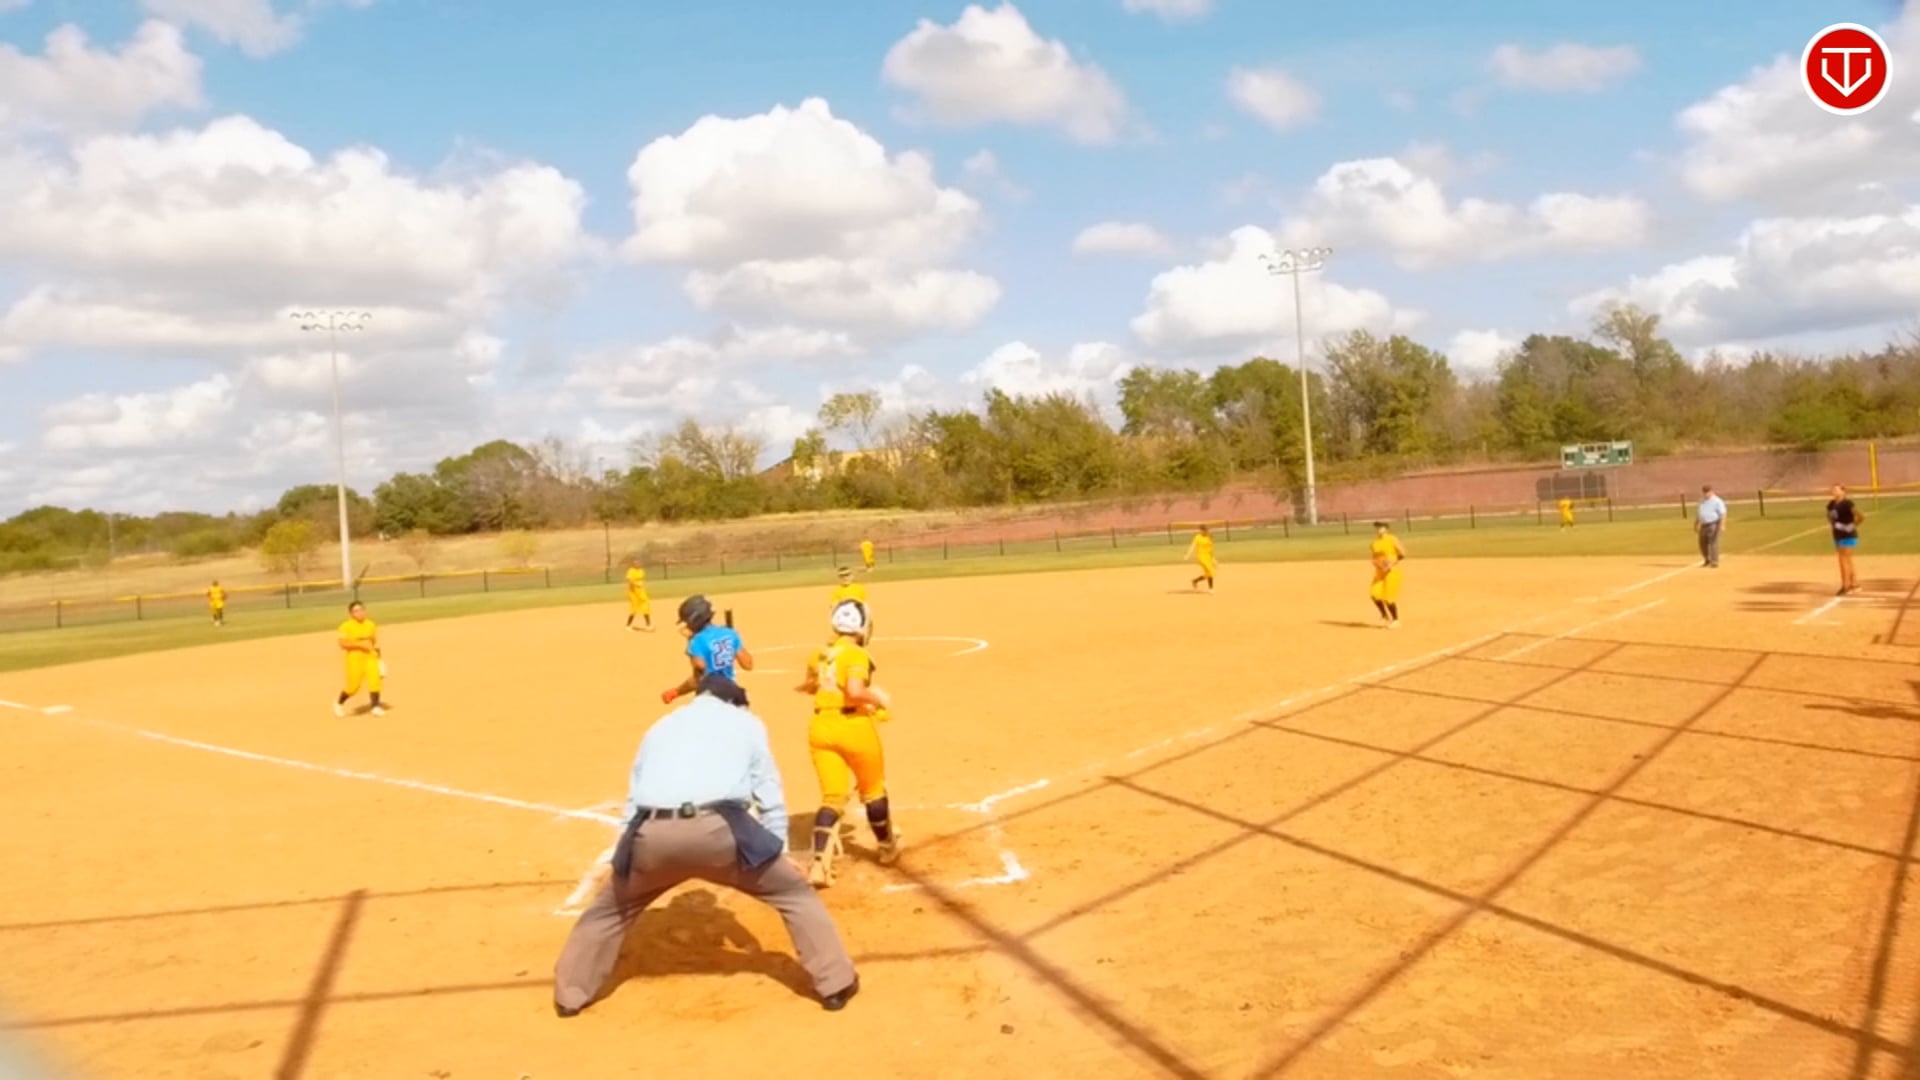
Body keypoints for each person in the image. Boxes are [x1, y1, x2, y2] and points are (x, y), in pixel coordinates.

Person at [552, 673, 860, 1016]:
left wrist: (624, 859)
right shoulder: (747, 723)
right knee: (794, 893)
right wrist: (779, 852)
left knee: (608, 910)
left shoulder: (659, 727)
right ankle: (836, 984)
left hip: (653, 836)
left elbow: (634, 801)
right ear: (735, 703)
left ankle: (570, 996)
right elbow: (768, 793)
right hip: (721, 832)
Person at [795, 599, 898, 888]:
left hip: (820, 728)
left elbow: (809, 686)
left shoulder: (821, 654)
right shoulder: (856, 654)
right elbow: (855, 690)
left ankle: (819, 864)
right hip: (853, 727)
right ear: (862, 626)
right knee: (873, 790)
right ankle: (887, 847)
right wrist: (878, 700)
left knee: (832, 798)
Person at [662, 595, 753, 706]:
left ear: (695, 620)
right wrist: (733, 642)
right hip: (732, 694)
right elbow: (748, 665)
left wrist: (676, 692)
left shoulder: (696, 642)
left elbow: (698, 679)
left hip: (710, 698)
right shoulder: (729, 633)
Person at [334, 601, 385, 717]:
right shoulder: (345, 626)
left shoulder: (371, 624)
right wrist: (360, 645)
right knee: (353, 687)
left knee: (374, 680)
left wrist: (379, 659)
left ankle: (375, 706)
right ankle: (339, 703)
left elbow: (373, 642)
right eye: (356, 611)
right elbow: (342, 644)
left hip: (370, 657)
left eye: (361, 610)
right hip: (354, 658)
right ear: (351, 614)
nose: (359, 613)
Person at [1368, 521, 1406, 629]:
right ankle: (1384, 617)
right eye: (1377, 527)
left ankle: (1396, 620)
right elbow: (1373, 557)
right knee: (1374, 594)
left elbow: (1402, 553)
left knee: (1389, 598)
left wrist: (1391, 564)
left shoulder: (1392, 539)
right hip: (1379, 572)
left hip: (1392, 572)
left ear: (1386, 529)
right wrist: (1376, 563)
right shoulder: (1374, 543)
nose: (1378, 529)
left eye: (1381, 527)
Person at [1827, 484, 1864, 595]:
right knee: (1847, 560)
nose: (1834, 491)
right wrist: (1834, 525)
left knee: (1843, 559)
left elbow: (1860, 516)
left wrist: (1852, 526)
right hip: (1838, 534)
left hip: (1848, 535)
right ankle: (1854, 584)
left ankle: (1845, 586)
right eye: (1833, 489)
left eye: (1837, 489)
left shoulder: (1847, 503)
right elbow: (1829, 516)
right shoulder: (1831, 504)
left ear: (1843, 492)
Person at [1695, 484, 1728, 568]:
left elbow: (1723, 513)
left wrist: (1722, 525)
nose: (1706, 494)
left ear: (1711, 492)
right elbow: (1699, 513)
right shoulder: (1701, 501)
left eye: (1707, 492)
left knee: (1713, 542)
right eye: (1704, 492)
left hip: (1713, 524)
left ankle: (1714, 561)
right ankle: (1707, 559)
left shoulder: (1717, 501)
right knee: (1702, 543)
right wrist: (1696, 524)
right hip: (1703, 525)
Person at [1184, 524, 1217, 593]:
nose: (1205, 531)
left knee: (1208, 574)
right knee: (1210, 571)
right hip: (1201, 556)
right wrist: (1187, 555)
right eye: (1204, 530)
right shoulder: (1197, 537)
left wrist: (1213, 558)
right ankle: (1211, 589)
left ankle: (1195, 581)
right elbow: (1192, 546)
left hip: (1208, 556)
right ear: (1201, 530)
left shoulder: (1209, 537)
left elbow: (1211, 549)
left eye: (1206, 530)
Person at [623, 561, 653, 633]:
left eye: (639, 563)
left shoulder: (641, 571)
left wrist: (640, 585)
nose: (638, 564)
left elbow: (641, 581)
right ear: (633, 564)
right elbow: (629, 580)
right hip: (633, 593)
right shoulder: (631, 571)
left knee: (646, 607)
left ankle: (648, 625)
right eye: (636, 563)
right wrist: (636, 584)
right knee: (634, 609)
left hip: (641, 592)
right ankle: (628, 625)